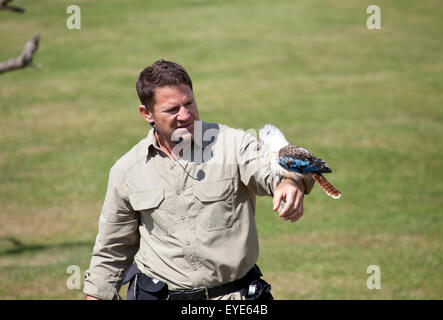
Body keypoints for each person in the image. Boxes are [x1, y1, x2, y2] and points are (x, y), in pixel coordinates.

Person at [83, 60, 315, 300]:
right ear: (147, 113)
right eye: (172, 110)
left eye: (189, 103)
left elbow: (271, 171)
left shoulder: (233, 145)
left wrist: (290, 182)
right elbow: (112, 250)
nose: (185, 115)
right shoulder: (127, 170)